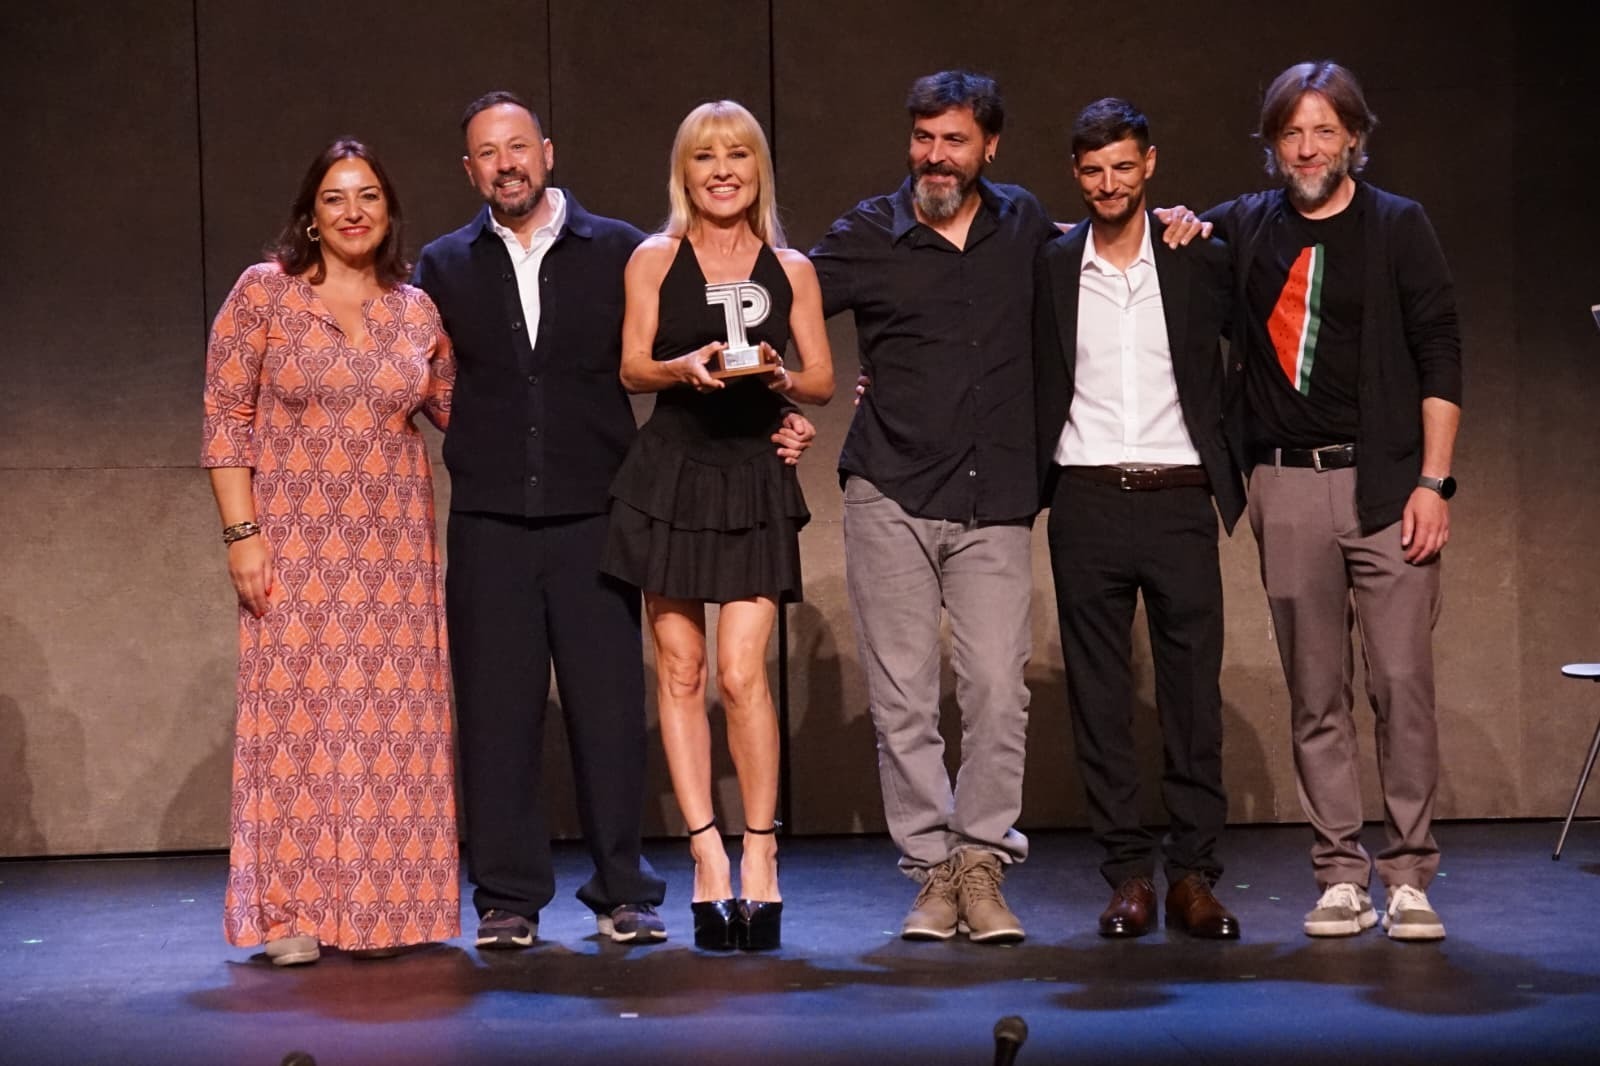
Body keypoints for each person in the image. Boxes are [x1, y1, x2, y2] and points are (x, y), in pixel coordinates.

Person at [412, 92, 818, 950]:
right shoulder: (442, 265)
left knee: (608, 707)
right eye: (488, 152)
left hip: (599, 504)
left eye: (518, 146)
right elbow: (418, 371)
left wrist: (784, 408)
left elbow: (691, 352)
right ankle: (508, 899)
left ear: (548, 153)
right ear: (469, 169)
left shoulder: (621, 250)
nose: (506, 163)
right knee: (496, 712)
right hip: (488, 512)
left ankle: (624, 890)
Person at [1203, 60, 1462, 941]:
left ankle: (1410, 874)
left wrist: (1434, 481)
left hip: (1390, 486)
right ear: (1272, 145)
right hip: (1285, 480)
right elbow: (1164, 253)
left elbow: (1439, 354)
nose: (1307, 147)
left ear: (1355, 135)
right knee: (1316, 691)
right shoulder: (1243, 226)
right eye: (1291, 133)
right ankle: (1340, 873)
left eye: (1324, 130)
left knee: (1400, 684)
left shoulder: (1397, 226)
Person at [201, 139, 459, 966]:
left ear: (389, 213)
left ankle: (383, 910)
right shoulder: (266, 295)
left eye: (370, 197)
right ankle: (290, 913)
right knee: (297, 725)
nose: (354, 212)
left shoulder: (416, 312)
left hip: (392, 557)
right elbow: (224, 418)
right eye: (337, 198)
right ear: (310, 215)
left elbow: (471, 416)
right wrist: (243, 535)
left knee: (393, 727)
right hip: (295, 545)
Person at [601, 100, 834, 952]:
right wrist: (681, 366)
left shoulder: (792, 266)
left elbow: (820, 380)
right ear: (685, 171)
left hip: (752, 475)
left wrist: (777, 373)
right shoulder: (653, 258)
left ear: (758, 167)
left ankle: (761, 857)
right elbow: (630, 366)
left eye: (738, 154)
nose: (723, 170)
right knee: (680, 668)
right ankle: (706, 859)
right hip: (671, 473)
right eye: (706, 157)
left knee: (741, 674)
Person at [1033, 99, 1244, 940]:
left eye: (1124, 167)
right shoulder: (1051, 264)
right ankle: (1127, 875)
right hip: (1084, 495)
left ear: (1149, 165)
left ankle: (1194, 874)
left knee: (1194, 695)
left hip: (1179, 493)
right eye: (1093, 170)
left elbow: (1260, 350)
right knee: (1100, 696)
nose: (1109, 184)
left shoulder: (1199, 257)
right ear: (1075, 175)